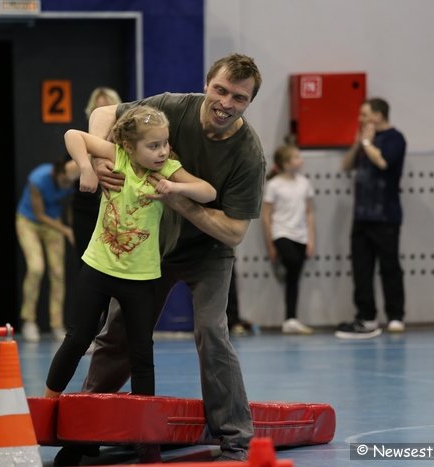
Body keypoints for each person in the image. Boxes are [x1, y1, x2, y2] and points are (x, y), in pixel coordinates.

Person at [56, 53, 264, 465]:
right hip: (153, 246)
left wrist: (178, 199)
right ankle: (86, 427)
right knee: (117, 332)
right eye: (221, 90)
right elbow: (101, 115)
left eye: (238, 98)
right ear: (208, 83)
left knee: (211, 331)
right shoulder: (172, 107)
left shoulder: (248, 154)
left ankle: (235, 439)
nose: (226, 102)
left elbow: (235, 232)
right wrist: (100, 162)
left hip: (209, 251)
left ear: (249, 102)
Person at [44, 107, 215, 428]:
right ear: (129, 146)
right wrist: (87, 168)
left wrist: (176, 189)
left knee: (140, 353)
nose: (162, 151)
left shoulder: (168, 170)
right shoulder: (117, 157)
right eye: (153, 146)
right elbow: (72, 136)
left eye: (165, 143)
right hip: (97, 269)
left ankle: (144, 428)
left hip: (140, 278)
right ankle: (47, 405)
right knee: (78, 338)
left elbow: (209, 191)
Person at [335, 97, 407, 339]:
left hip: (386, 216)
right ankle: (366, 317)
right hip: (362, 216)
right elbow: (346, 166)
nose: (361, 119)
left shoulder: (395, 139)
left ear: (378, 115)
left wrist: (367, 142)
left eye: (365, 114)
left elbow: (383, 162)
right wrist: (357, 144)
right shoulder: (364, 143)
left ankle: (395, 316)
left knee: (389, 268)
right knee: (361, 269)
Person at [16, 161, 79, 342]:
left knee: (58, 273)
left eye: (70, 182)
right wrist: (66, 230)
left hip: (53, 225)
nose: (67, 185)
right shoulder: (38, 179)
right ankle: (28, 321)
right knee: (36, 268)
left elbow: (70, 207)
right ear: (56, 173)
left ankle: (57, 325)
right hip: (29, 222)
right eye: (64, 181)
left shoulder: (72, 183)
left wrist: (73, 226)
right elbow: (39, 214)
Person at [261, 145, 316, 334]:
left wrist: (311, 240)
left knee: (294, 279)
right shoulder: (274, 185)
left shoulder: (304, 183)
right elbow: (266, 216)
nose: (300, 160)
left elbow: (309, 213)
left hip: (300, 235)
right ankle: (282, 267)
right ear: (285, 163)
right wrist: (270, 245)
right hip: (281, 233)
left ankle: (290, 318)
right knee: (292, 262)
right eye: (296, 157)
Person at [71, 87, 123, 259]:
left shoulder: (126, 142)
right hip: (87, 210)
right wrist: (88, 161)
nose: (103, 114)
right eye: (97, 109)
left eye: (107, 108)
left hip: (119, 212)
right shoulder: (82, 140)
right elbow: (68, 172)